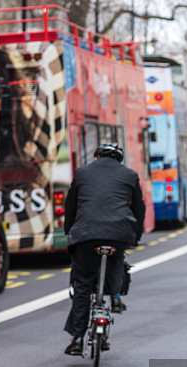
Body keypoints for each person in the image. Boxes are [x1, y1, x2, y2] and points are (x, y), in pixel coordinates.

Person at [63, 143, 146, 356]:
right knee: (116, 259)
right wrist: (134, 237)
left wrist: (70, 232)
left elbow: (71, 206)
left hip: (86, 235)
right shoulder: (129, 175)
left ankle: (78, 338)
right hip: (119, 234)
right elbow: (139, 208)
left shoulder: (81, 173)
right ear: (119, 158)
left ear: (96, 156)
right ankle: (116, 297)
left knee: (82, 283)